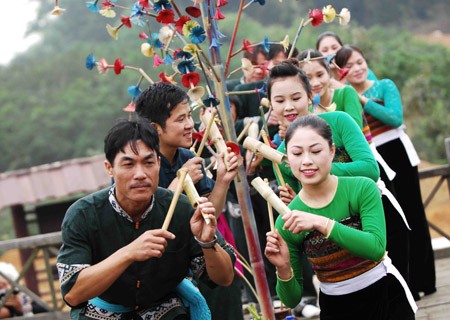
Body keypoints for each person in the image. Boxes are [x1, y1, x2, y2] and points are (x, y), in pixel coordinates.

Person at [57, 119, 235, 319]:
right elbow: (73, 294)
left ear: (158, 164)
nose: (140, 174)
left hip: (164, 309)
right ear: (109, 168)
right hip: (103, 312)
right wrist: (129, 253)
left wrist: (207, 242)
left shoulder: (181, 208)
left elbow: (225, 278)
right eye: (128, 164)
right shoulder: (83, 214)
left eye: (148, 162)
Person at [264, 115, 417, 320]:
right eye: (297, 153)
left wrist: (321, 223)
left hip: (385, 298)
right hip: (336, 307)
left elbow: (375, 248)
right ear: (288, 160)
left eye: (316, 151)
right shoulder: (288, 220)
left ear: (332, 151)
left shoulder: (362, 188)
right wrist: (283, 269)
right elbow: (291, 300)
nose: (307, 160)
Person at [296, 49, 411, 283]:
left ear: (330, 72)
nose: (316, 82)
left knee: (391, 241)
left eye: (320, 74)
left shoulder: (346, 94)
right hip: (337, 190)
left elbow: (354, 136)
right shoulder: (305, 113)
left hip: (364, 176)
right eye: (309, 78)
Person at [335, 45, 436, 300]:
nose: (357, 68)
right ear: (340, 72)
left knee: (412, 214)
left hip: (397, 153)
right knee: (392, 220)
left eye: (360, 62)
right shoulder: (342, 98)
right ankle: (406, 284)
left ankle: (425, 279)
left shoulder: (384, 86)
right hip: (371, 157)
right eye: (350, 65)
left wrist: (365, 101)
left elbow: (395, 118)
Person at [134, 83, 244, 320]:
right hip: (152, 262)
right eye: (180, 119)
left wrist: (223, 180)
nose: (189, 125)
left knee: (226, 277)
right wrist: (179, 182)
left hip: (190, 252)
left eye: (190, 117)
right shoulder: (141, 166)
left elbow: (208, 214)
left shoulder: (187, 157)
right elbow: (147, 220)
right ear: (155, 129)